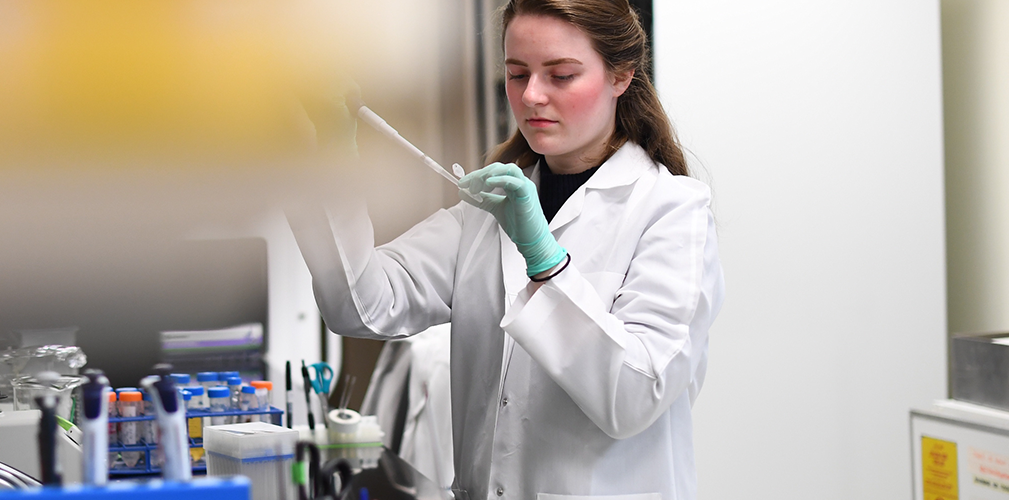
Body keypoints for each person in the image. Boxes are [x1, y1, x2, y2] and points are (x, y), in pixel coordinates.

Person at [289, 0, 724, 499]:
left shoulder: (671, 211)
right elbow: (360, 306)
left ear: (621, 76)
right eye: (517, 74)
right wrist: (333, 159)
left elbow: (634, 397)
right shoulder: (487, 212)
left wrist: (544, 260)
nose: (533, 95)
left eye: (561, 75)